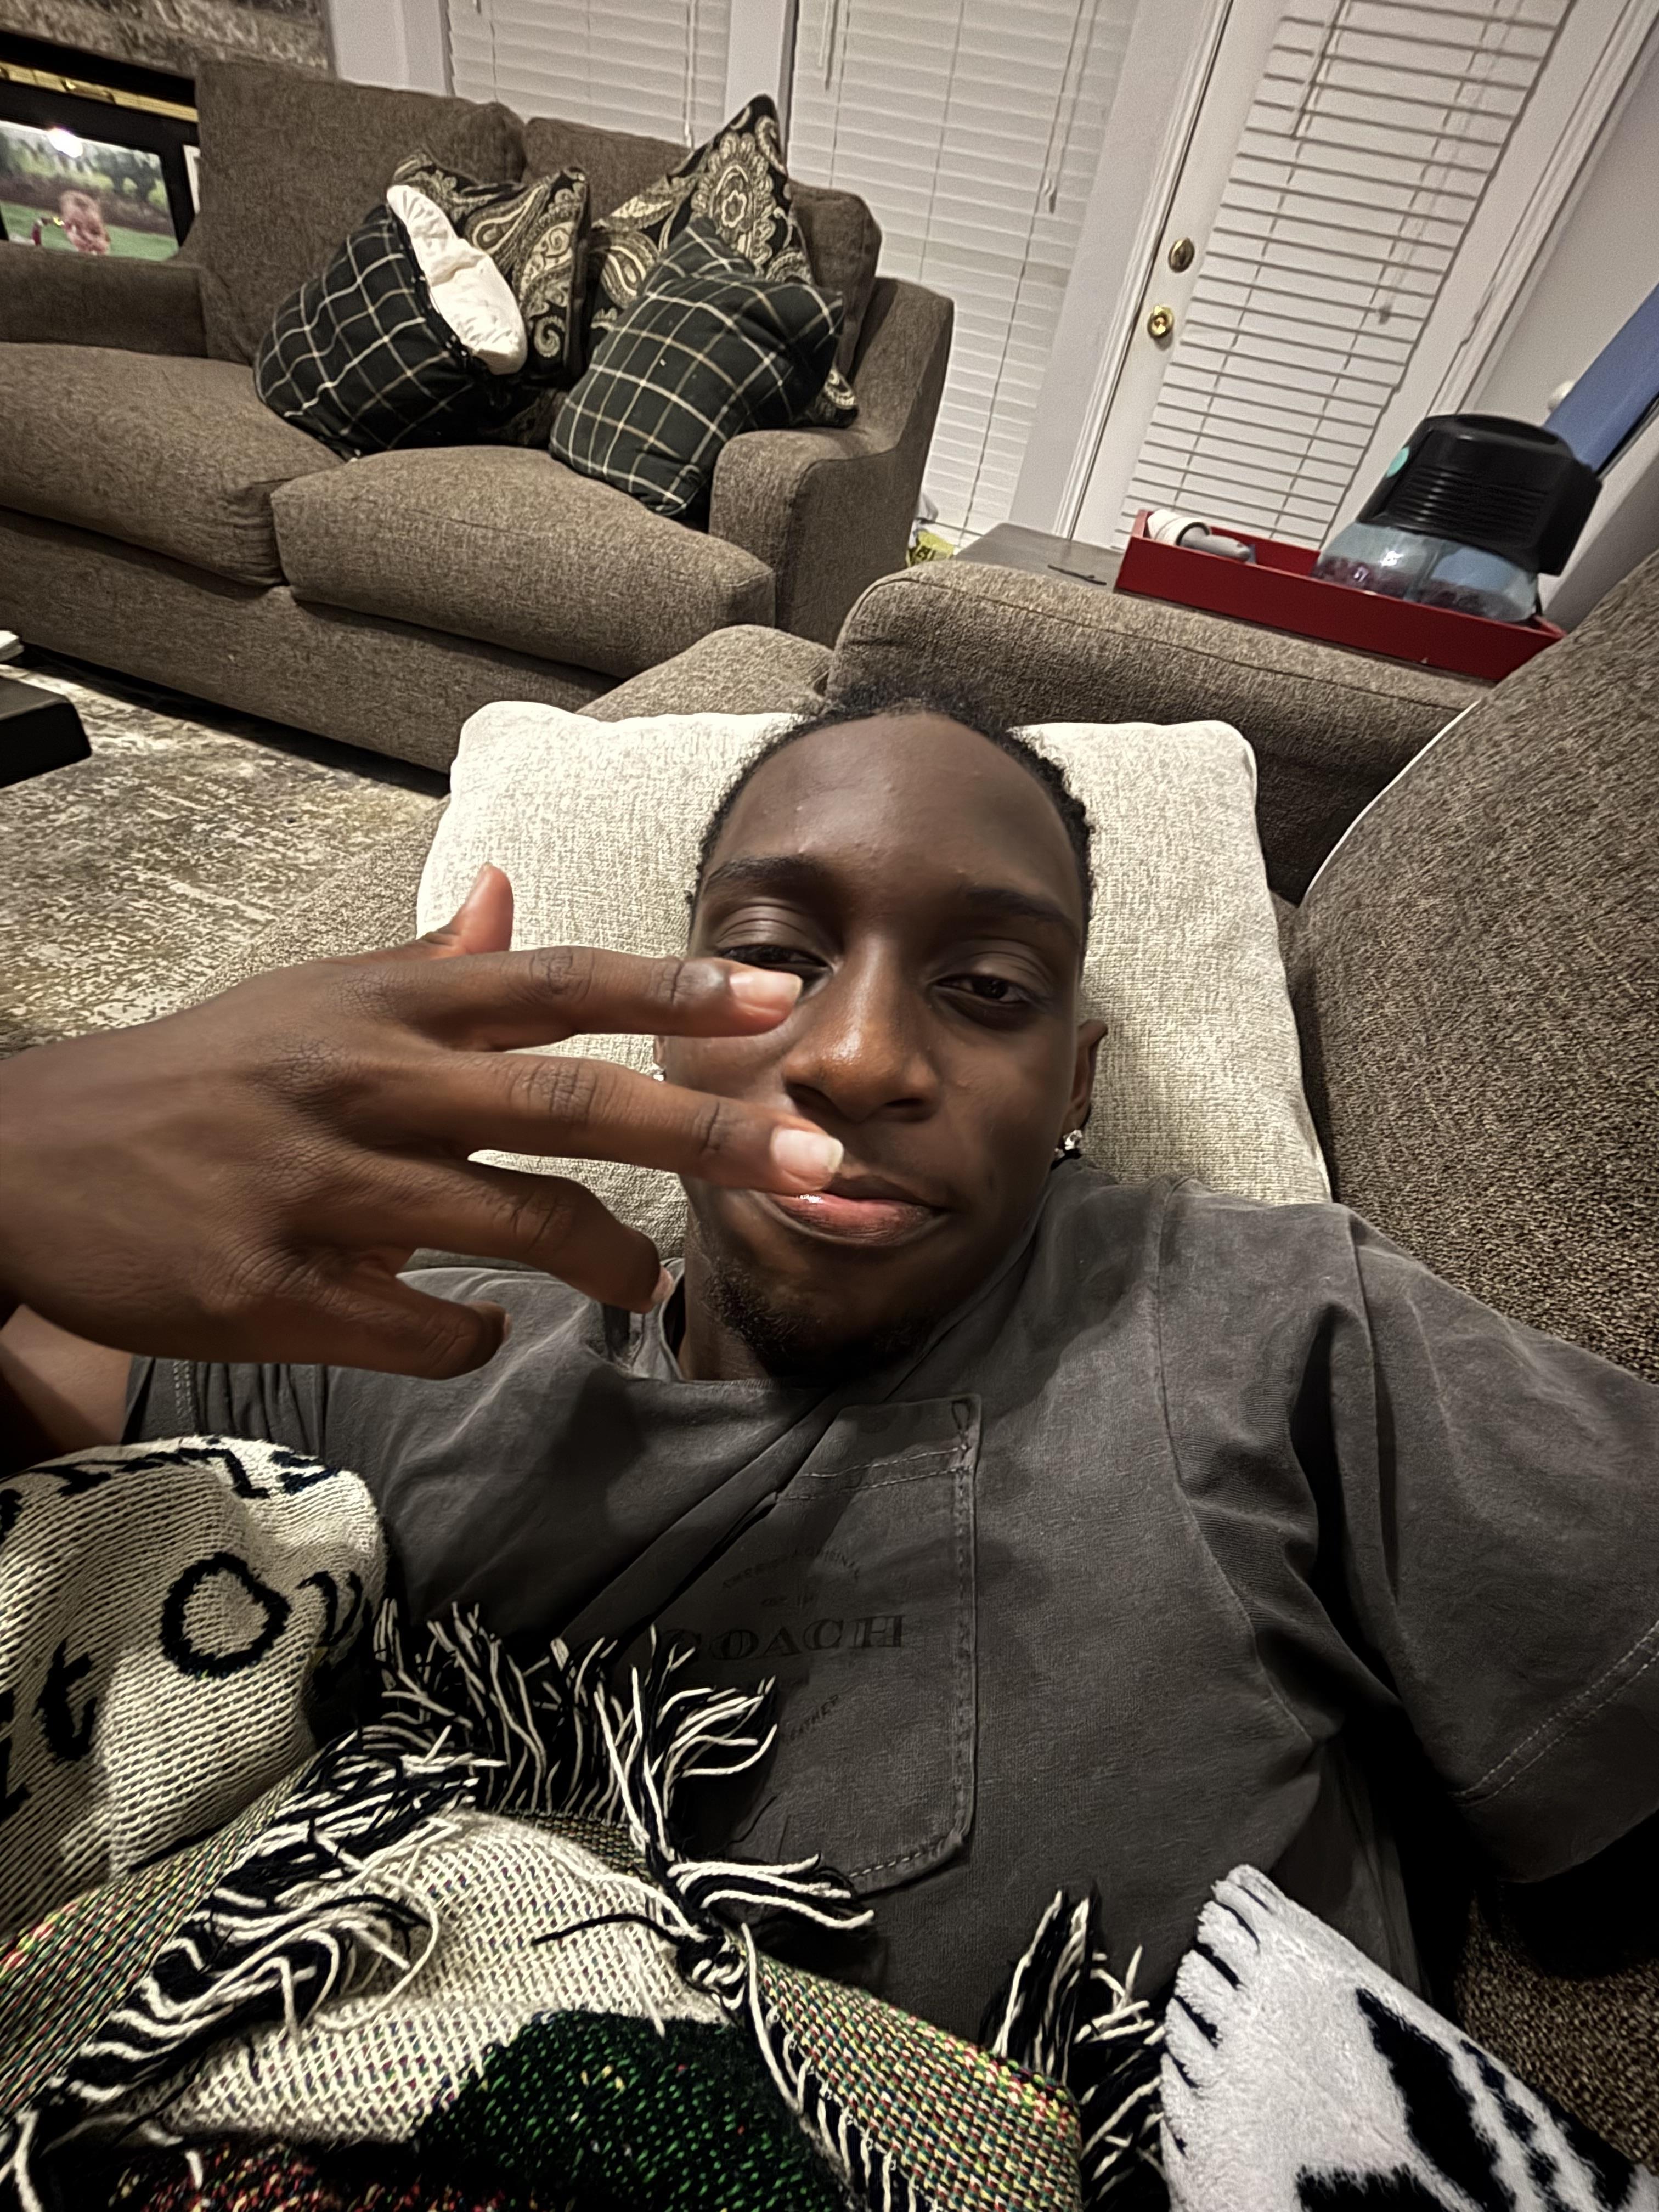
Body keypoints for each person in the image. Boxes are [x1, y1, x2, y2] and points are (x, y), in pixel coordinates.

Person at [1, 692, 1655, 2044]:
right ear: (667, 1015)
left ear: (1075, 1086)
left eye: (988, 989)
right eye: (780, 954)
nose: (860, 1057)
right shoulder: (415, 1335)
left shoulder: (1264, 1318)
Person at [57, 187, 110, 256]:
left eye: (94, 231)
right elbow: (71, 234)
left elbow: (105, 241)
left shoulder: (99, 229)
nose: (89, 238)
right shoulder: (68, 229)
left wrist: (100, 243)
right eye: (77, 225)